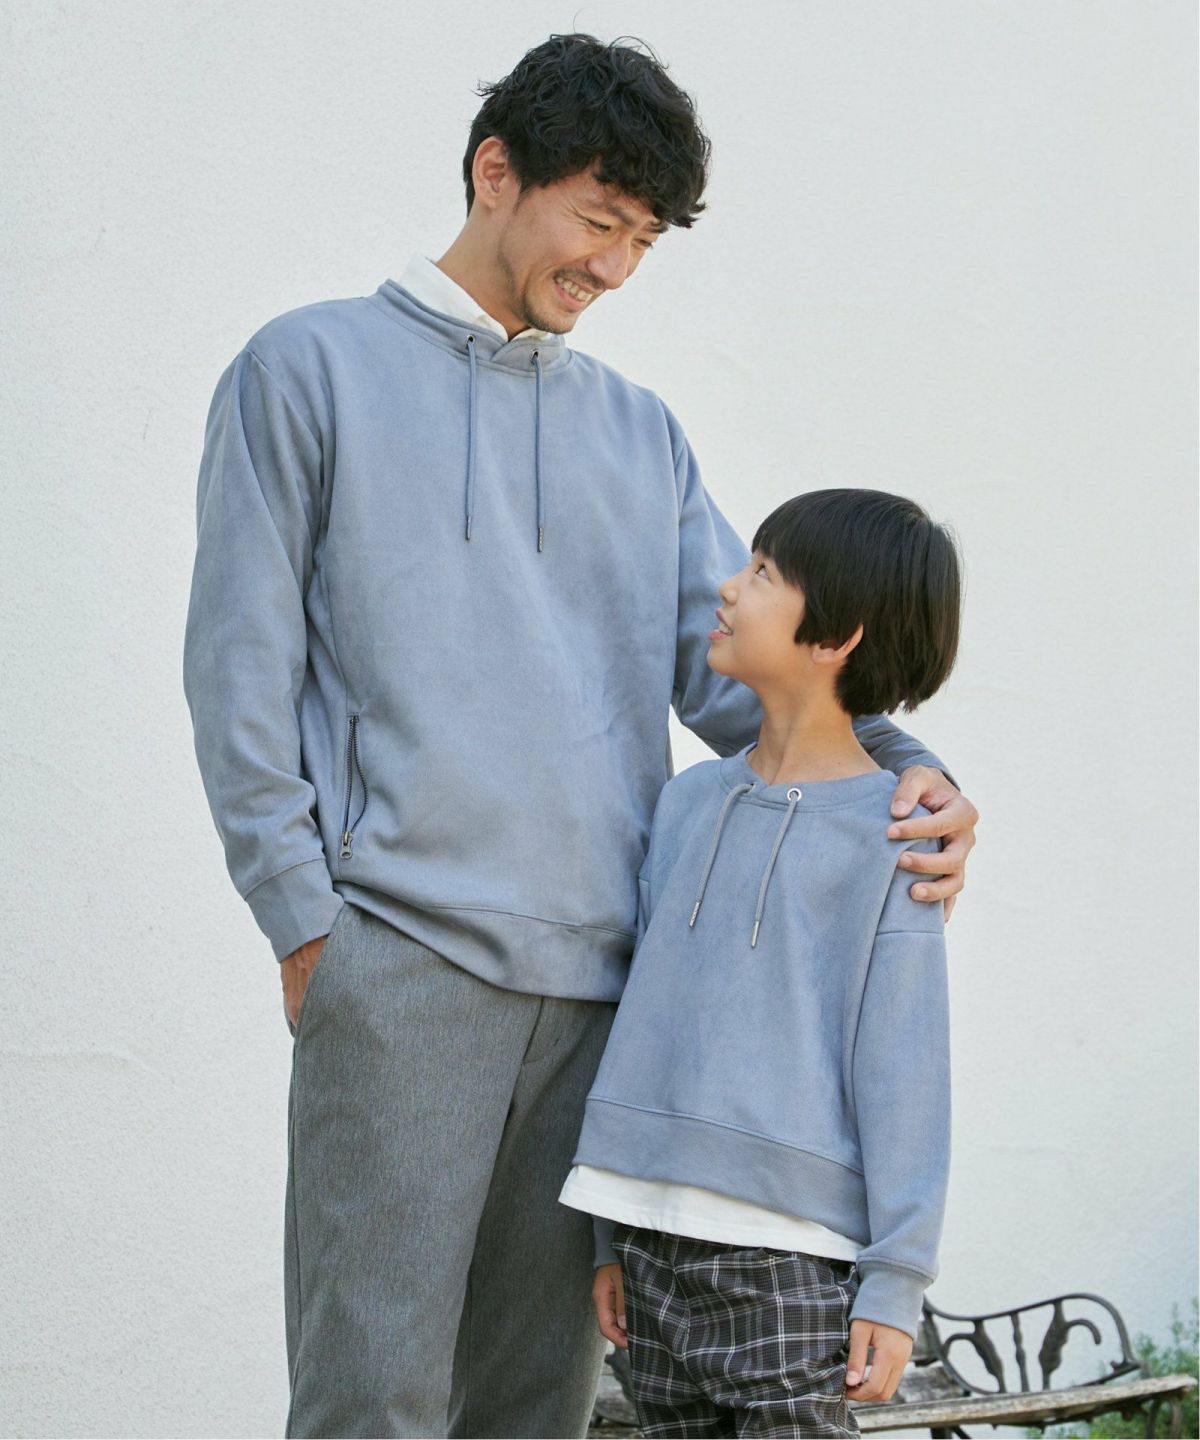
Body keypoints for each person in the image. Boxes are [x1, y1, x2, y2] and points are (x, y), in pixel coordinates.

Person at [182, 33, 978, 1440]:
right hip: (404, 965)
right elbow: (238, 671)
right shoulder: (305, 370)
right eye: (599, 221)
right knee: (370, 1395)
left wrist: (915, 783)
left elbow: (753, 689)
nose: (614, 267)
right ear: (496, 173)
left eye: (642, 241)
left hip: (609, 998)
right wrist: (306, 926)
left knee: (537, 1408)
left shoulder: (639, 432)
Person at [561, 488, 962, 1438]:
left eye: (764, 572)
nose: (729, 587)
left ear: (836, 638)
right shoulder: (685, 804)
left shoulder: (894, 837)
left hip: (788, 1264)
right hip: (650, 1251)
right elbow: (643, 1020)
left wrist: (896, 1278)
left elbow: (906, 1071)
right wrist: (609, 1232)